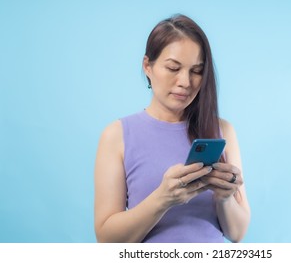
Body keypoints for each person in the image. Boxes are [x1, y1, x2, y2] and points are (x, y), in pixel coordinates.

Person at [94, 14, 250, 243]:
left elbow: (237, 234)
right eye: (173, 68)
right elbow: (106, 240)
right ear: (148, 66)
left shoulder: (222, 131)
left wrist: (225, 198)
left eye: (196, 71)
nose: (185, 82)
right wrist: (162, 199)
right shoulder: (116, 136)